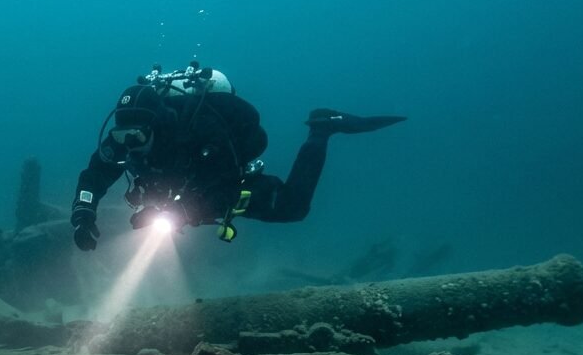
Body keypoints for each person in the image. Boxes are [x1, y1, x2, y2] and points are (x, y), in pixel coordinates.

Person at [69, 62, 404, 250]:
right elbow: (93, 177)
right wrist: (83, 213)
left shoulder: (200, 129)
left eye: (138, 136)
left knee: (294, 207)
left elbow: (224, 182)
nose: (131, 145)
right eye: (123, 137)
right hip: (182, 199)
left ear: (159, 125)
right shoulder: (125, 141)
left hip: (223, 186)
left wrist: (176, 210)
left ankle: (321, 127)